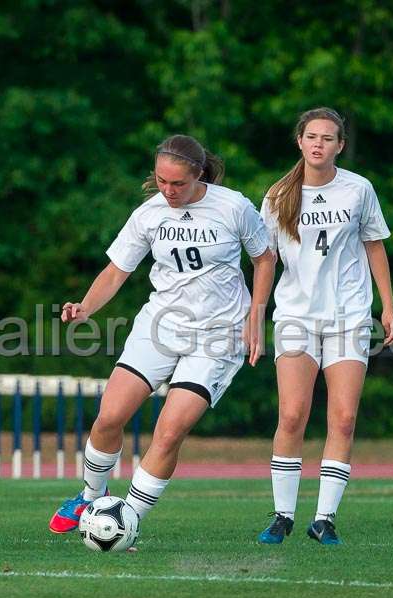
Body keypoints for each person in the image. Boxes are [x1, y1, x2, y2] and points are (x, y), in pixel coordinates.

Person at [48, 135, 275, 536]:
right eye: (161, 181)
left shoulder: (233, 206)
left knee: (169, 432)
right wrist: (85, 306)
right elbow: (118, 269)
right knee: (109, 416)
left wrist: (255, 317)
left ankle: (126, 521)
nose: (168, 191)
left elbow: (264, 258)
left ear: (198, 175)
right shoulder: (149, 214)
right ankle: (90, 498)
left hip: (217, 337)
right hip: (159, 327)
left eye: (177, 184)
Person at [257, 108, 393, 545]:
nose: (319, 144)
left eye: (328, 138)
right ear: (299, 141)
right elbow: (266, 260)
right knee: (293, 414)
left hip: (349, 315)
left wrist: (388, 308)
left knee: (344, 417)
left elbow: (374, 248)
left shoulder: (359, 190)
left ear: (340, 145)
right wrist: (254, 313)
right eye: (311, 136)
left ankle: (325, 520)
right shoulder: (278, 195)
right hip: (296, 316)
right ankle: (282, 516)